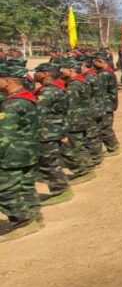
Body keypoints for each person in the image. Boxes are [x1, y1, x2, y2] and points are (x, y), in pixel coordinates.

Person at [0, 57, 43, 242]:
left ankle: (23, 221)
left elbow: (3, 136)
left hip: (13, 155)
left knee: (5, 190)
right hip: (29, 152)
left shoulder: (12, 105)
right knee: (26, 186)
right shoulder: (26, 97)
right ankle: (34, 215)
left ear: (8, 81)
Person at [33, 61, 74, 206]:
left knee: (48, 162)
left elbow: (37, 112)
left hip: (48, 130)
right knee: (52, 159)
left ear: (45, 74)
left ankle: (61, 190)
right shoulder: (51, 88)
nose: (34, 74)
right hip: (53, 128)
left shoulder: (49, 91)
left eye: (37, 71)